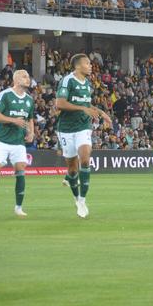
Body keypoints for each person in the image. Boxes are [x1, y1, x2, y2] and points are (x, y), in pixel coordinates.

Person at [56, 54, 111, 219]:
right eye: (88, 63)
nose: (91, 66)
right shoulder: (67, 81)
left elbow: (86, 105)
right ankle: (75, 197)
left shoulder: (87, 83)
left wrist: (101, 113)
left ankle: (82, 200)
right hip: (66, 128)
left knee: (85, 159)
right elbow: (59, 104)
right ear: (78, 66)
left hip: (83, 126)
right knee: (72, 169)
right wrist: (83, 109)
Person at [0, 70, 35, 218]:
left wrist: (31, 132)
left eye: (28, 77)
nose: (28, 79)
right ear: (16, 79)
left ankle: (18, 207)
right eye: (24, 76)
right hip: (3, 140)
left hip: (18, 142)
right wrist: (13, 120)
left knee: (20, 170)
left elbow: (30, 118)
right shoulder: (5, 95)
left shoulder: (30, 99)